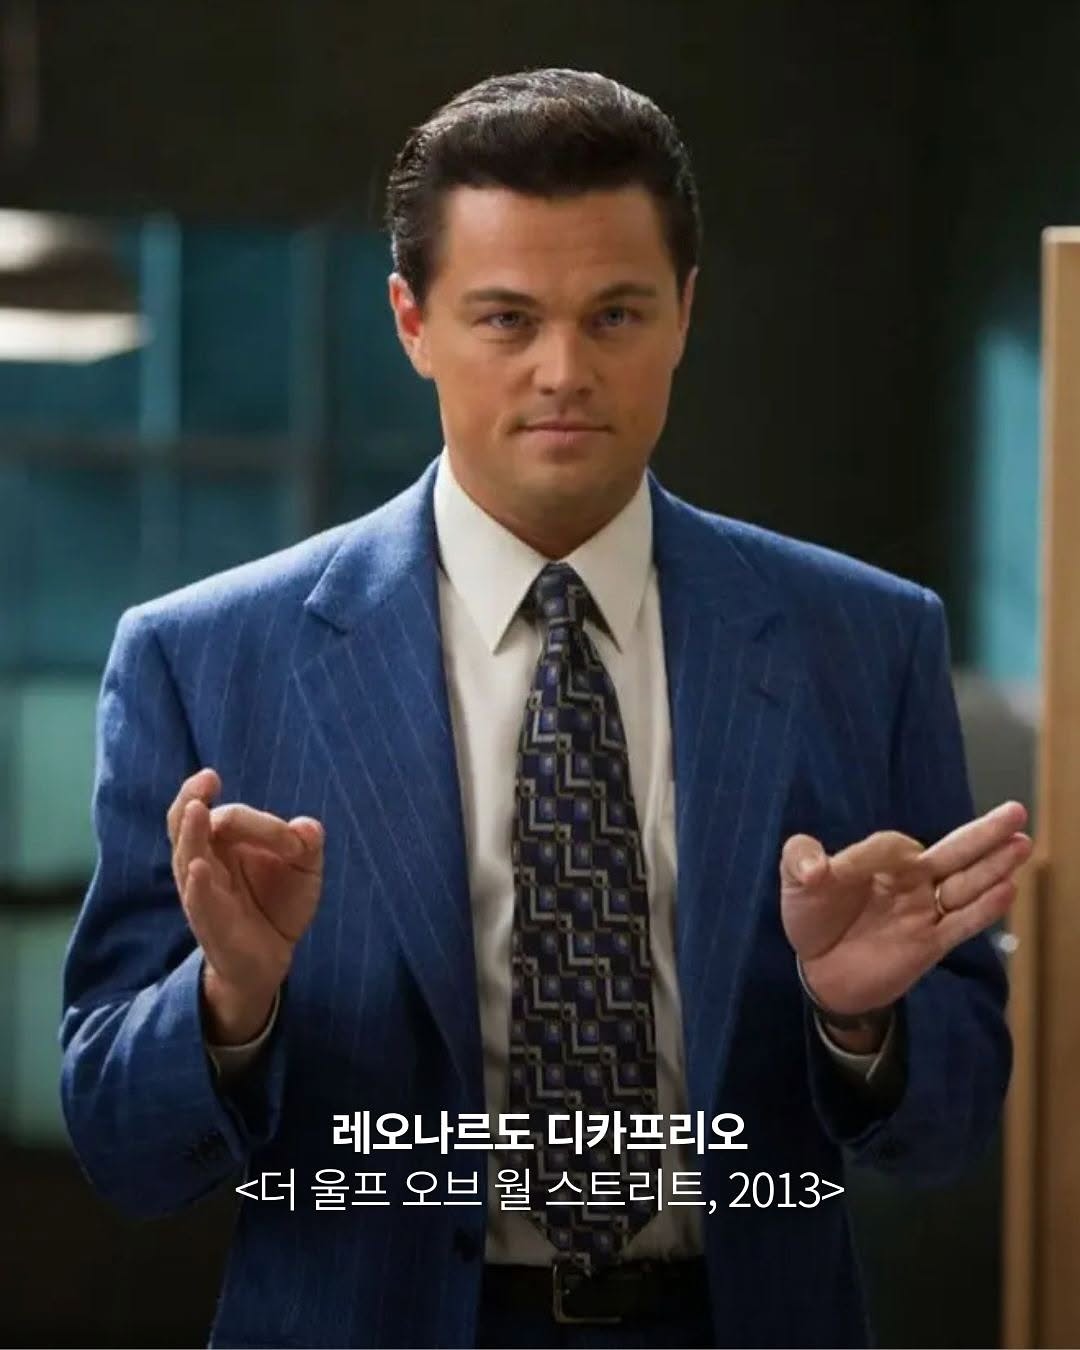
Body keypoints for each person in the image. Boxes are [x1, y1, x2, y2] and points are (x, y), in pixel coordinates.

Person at [60, 68, 1031, 1350]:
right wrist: (230, 998)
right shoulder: (202, 658)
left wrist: (861, 1020)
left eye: (616, 314)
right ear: (413, 322)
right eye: (507, 319)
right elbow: (122, 1144)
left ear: (685, 314)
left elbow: (950, 1131)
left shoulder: (864, 641)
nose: (565, 371)